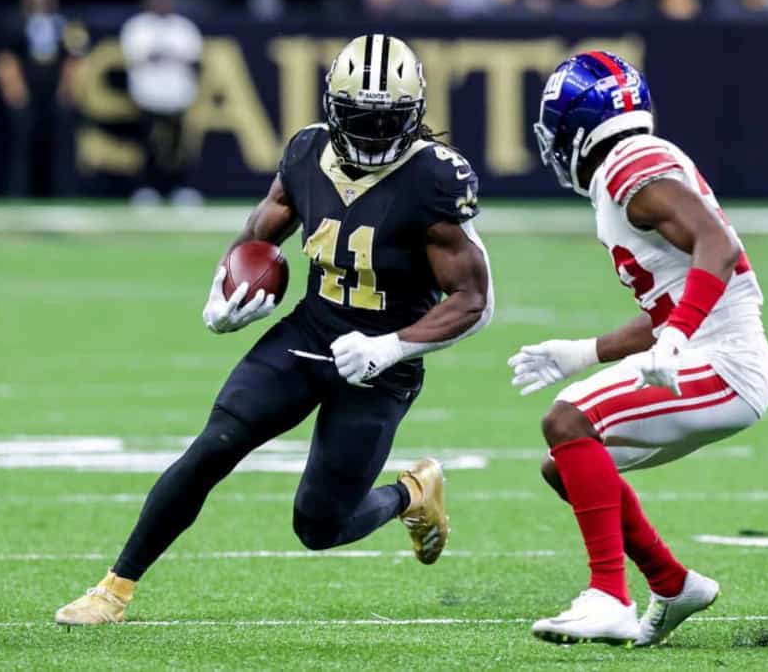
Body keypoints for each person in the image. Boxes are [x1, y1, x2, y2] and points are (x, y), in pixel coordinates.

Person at [55, 34, 494, 625]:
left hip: (380, 368)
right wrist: (225, 290)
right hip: (308, 335)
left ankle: (411, 494)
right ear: (332, 108)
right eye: (359, 117)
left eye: (386, 120)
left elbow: (474, 302)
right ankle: (113, 590)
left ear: (413, 116)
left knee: (318, 525)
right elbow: (260, 233)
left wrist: (390, 348)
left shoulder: (434, 178)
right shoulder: (308, 151)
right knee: (214, 446)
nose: (371, 134)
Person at [511, 52, 768, 646]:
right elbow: (669, 305)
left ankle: (608, 596)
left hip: (725, 363)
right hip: (706, 353)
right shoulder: (632, 167)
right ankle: (673, 583)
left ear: (578, 128)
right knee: (567, 465)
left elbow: (719, 246)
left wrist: (679, 337)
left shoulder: (630, 165)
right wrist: (585, 352)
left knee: (567, 420)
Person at [0, 0, 86, 197]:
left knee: (63, 145)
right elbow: (5, 59)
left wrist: (67, 90)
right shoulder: (13, 22)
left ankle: (65, 193)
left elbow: (75, 58)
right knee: (20, 146)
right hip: (26, 92)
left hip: (57, 92)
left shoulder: (67, 22)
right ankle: (17, 192)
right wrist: (16, 91)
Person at [120, 0, 203, 205]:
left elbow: (195, 61)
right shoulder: (137, 27)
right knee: (148, 147)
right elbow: (133, 59)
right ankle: (147, 188)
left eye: (165, 0)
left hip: (177, 97)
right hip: (148, 97)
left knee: (177, 149)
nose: (162, 4)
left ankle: (179, 188)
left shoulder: (184, 28)